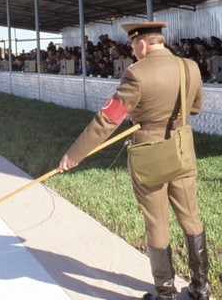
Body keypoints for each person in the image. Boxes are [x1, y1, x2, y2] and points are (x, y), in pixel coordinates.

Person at [58, 22, 210, 300]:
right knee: (191, 217)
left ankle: (166, 294)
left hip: (149, 155)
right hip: (182, 150)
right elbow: (195, 108)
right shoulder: (190, 66)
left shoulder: (135, 75)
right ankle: (201, 289)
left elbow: (107, 119)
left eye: (132, 47)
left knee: (157, 222)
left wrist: (74, 154)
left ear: (142, 44)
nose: (132, 52)